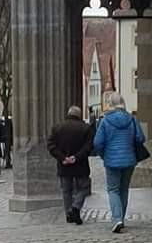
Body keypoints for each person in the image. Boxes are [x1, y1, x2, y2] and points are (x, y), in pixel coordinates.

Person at [92, 93, 146, 232]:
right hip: (129, 160)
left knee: (113, 189)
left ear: (110, 104)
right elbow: (140, 138)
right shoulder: (132, 119)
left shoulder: (105, 121)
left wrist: (104, 155)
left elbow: (97, 143)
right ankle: (121, 217)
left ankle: (117, 219)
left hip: (111, 160)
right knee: (123, 189)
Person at [48, 106, 94, 224]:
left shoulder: (57, 128)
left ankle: (69, 213)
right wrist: (76, 157)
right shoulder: (86, 128)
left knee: (66, 190)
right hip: (80, 163)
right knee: (84, 188)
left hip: (63, 164)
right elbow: (89, 147)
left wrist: (62, 157)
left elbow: (51, 145)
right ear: (79, 115)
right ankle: (76, 207)